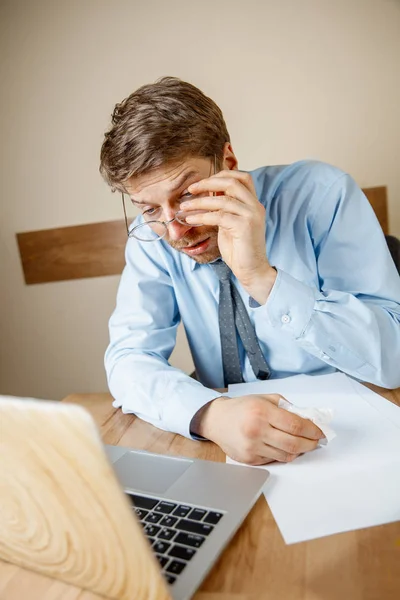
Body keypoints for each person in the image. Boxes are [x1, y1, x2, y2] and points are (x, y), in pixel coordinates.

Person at [99, 77, 400, 465]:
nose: (176, 231)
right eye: (150, 208)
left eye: (187, 195)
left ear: (228, 162)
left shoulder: (321, 195)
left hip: (350, 437)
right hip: (227, 446)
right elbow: (127, 359)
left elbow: (394, 357)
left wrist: (262, 277)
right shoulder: (152, 239)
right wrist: (210, 415)